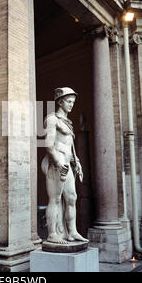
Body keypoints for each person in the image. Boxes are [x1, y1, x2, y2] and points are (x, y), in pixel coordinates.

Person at [41, 87, 88, 244]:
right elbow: (48, 144)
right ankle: (52, 233)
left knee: (71, 198)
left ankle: (72, 232)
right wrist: (58, 161)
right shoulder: (52, 119)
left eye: (73, 102)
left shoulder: (67, 122)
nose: (71, 105)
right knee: (54, 199)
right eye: (69, 101)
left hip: (67, 163)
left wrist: (77, 162)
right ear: (60, 102)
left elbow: (69, 145)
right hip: (57, 164)